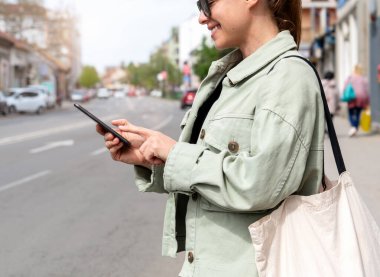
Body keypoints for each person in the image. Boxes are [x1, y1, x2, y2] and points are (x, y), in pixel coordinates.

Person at [96, 0, 325, 276]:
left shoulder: (287, 75)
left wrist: (174, 153)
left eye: (207, 3)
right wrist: (152, 157)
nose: (202, 18)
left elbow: (260, 184)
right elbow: (210, 178)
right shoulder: (225, 78)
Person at [343, 64, 370, 137]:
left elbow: (345, 86)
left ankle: (353, 126)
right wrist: (367, 101)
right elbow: (367, 90)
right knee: (358, 113)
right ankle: (355, 127)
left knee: (351, 112)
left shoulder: (350, 77)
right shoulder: (364, 78)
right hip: (361, 97)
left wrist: (344, 94)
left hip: (352, 97)